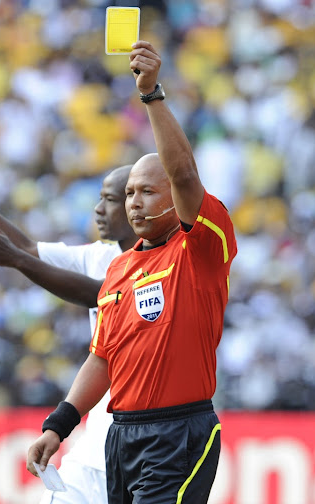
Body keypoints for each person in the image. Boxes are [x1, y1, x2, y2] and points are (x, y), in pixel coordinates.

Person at [26, 41, 238, 503]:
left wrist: (152, 95)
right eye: (129, 195)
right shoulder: (120, 268)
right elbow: (102, 358)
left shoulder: (200, 247)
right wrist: (58, 426)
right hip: (121, 435)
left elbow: (183, 173)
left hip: (179, 431)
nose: (134, 203)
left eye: (146, 191)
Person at [0, 149, 137, 503]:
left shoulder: (164, 263)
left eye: (109, 200)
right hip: (96, 437)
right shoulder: (100, 255)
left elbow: (99, 295)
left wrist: (18, 259)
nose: (98, 209)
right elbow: (24, 247)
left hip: (140, 440)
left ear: (136, 203)